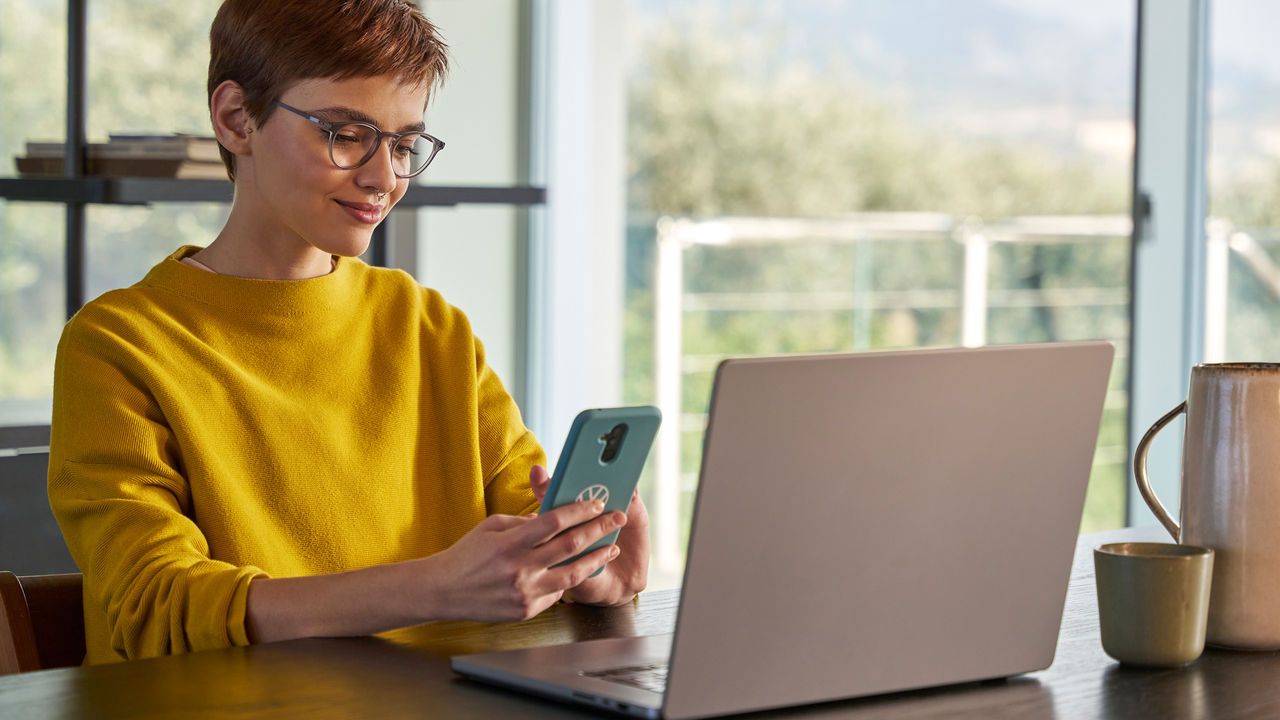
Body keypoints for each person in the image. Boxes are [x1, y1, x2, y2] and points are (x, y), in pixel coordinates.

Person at [47, 0, 648, 665]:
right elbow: (151, 604)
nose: (383, 177)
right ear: (236, 118)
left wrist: (585, 572)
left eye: (402, 143)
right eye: (345, 133)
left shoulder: (429, 327)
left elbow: (523, 536)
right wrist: (432, 589)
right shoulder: (118, 345)